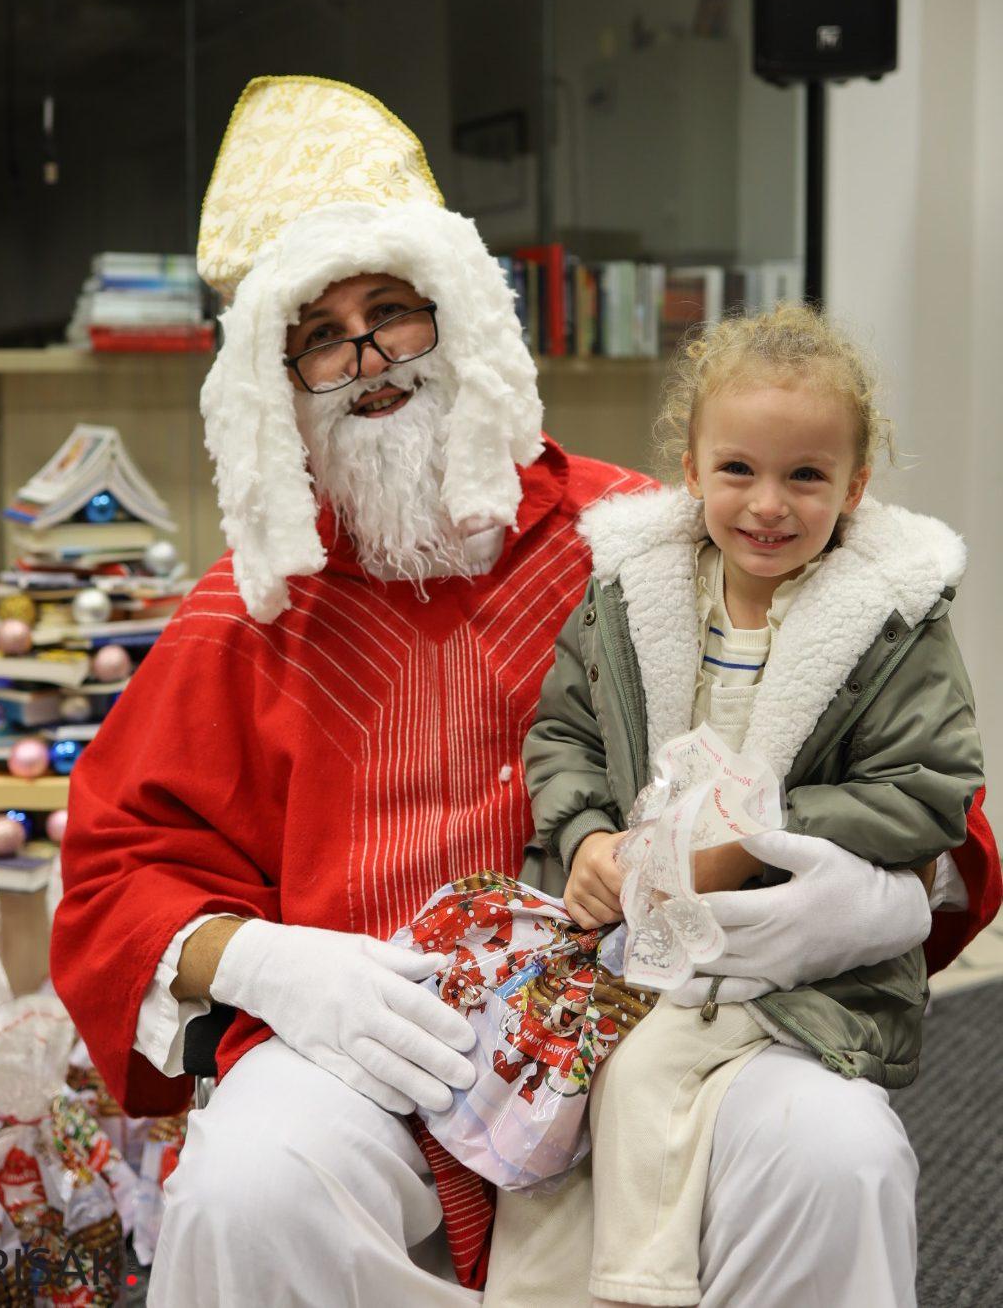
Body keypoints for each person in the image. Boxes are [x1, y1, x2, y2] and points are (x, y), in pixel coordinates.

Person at [50, 77, 1000, 1308]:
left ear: (462, 318)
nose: (369, 364)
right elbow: (118, 863)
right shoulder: (255, 604)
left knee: (841, 1154)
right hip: (375, 1046)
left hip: (670, 1014)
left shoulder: (647, 544)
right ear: (278, 383)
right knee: (246, 1187)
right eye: (322, 336)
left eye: (394, 313)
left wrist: (861, 903)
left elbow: (914, 771)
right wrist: (270, 965)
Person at [484, 305, 983, 1308]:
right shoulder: (636, 595)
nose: (769, 505)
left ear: (856, 484)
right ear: (691, 467)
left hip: (792, 953)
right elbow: (566, 738)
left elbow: (931, 787)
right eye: (738, 469)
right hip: (627, 933)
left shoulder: (889, 620)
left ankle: (639, 1286)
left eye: (806, 475)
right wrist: (585, 837)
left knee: (641, 1066)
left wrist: (757, 835)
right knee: (546, 1105)